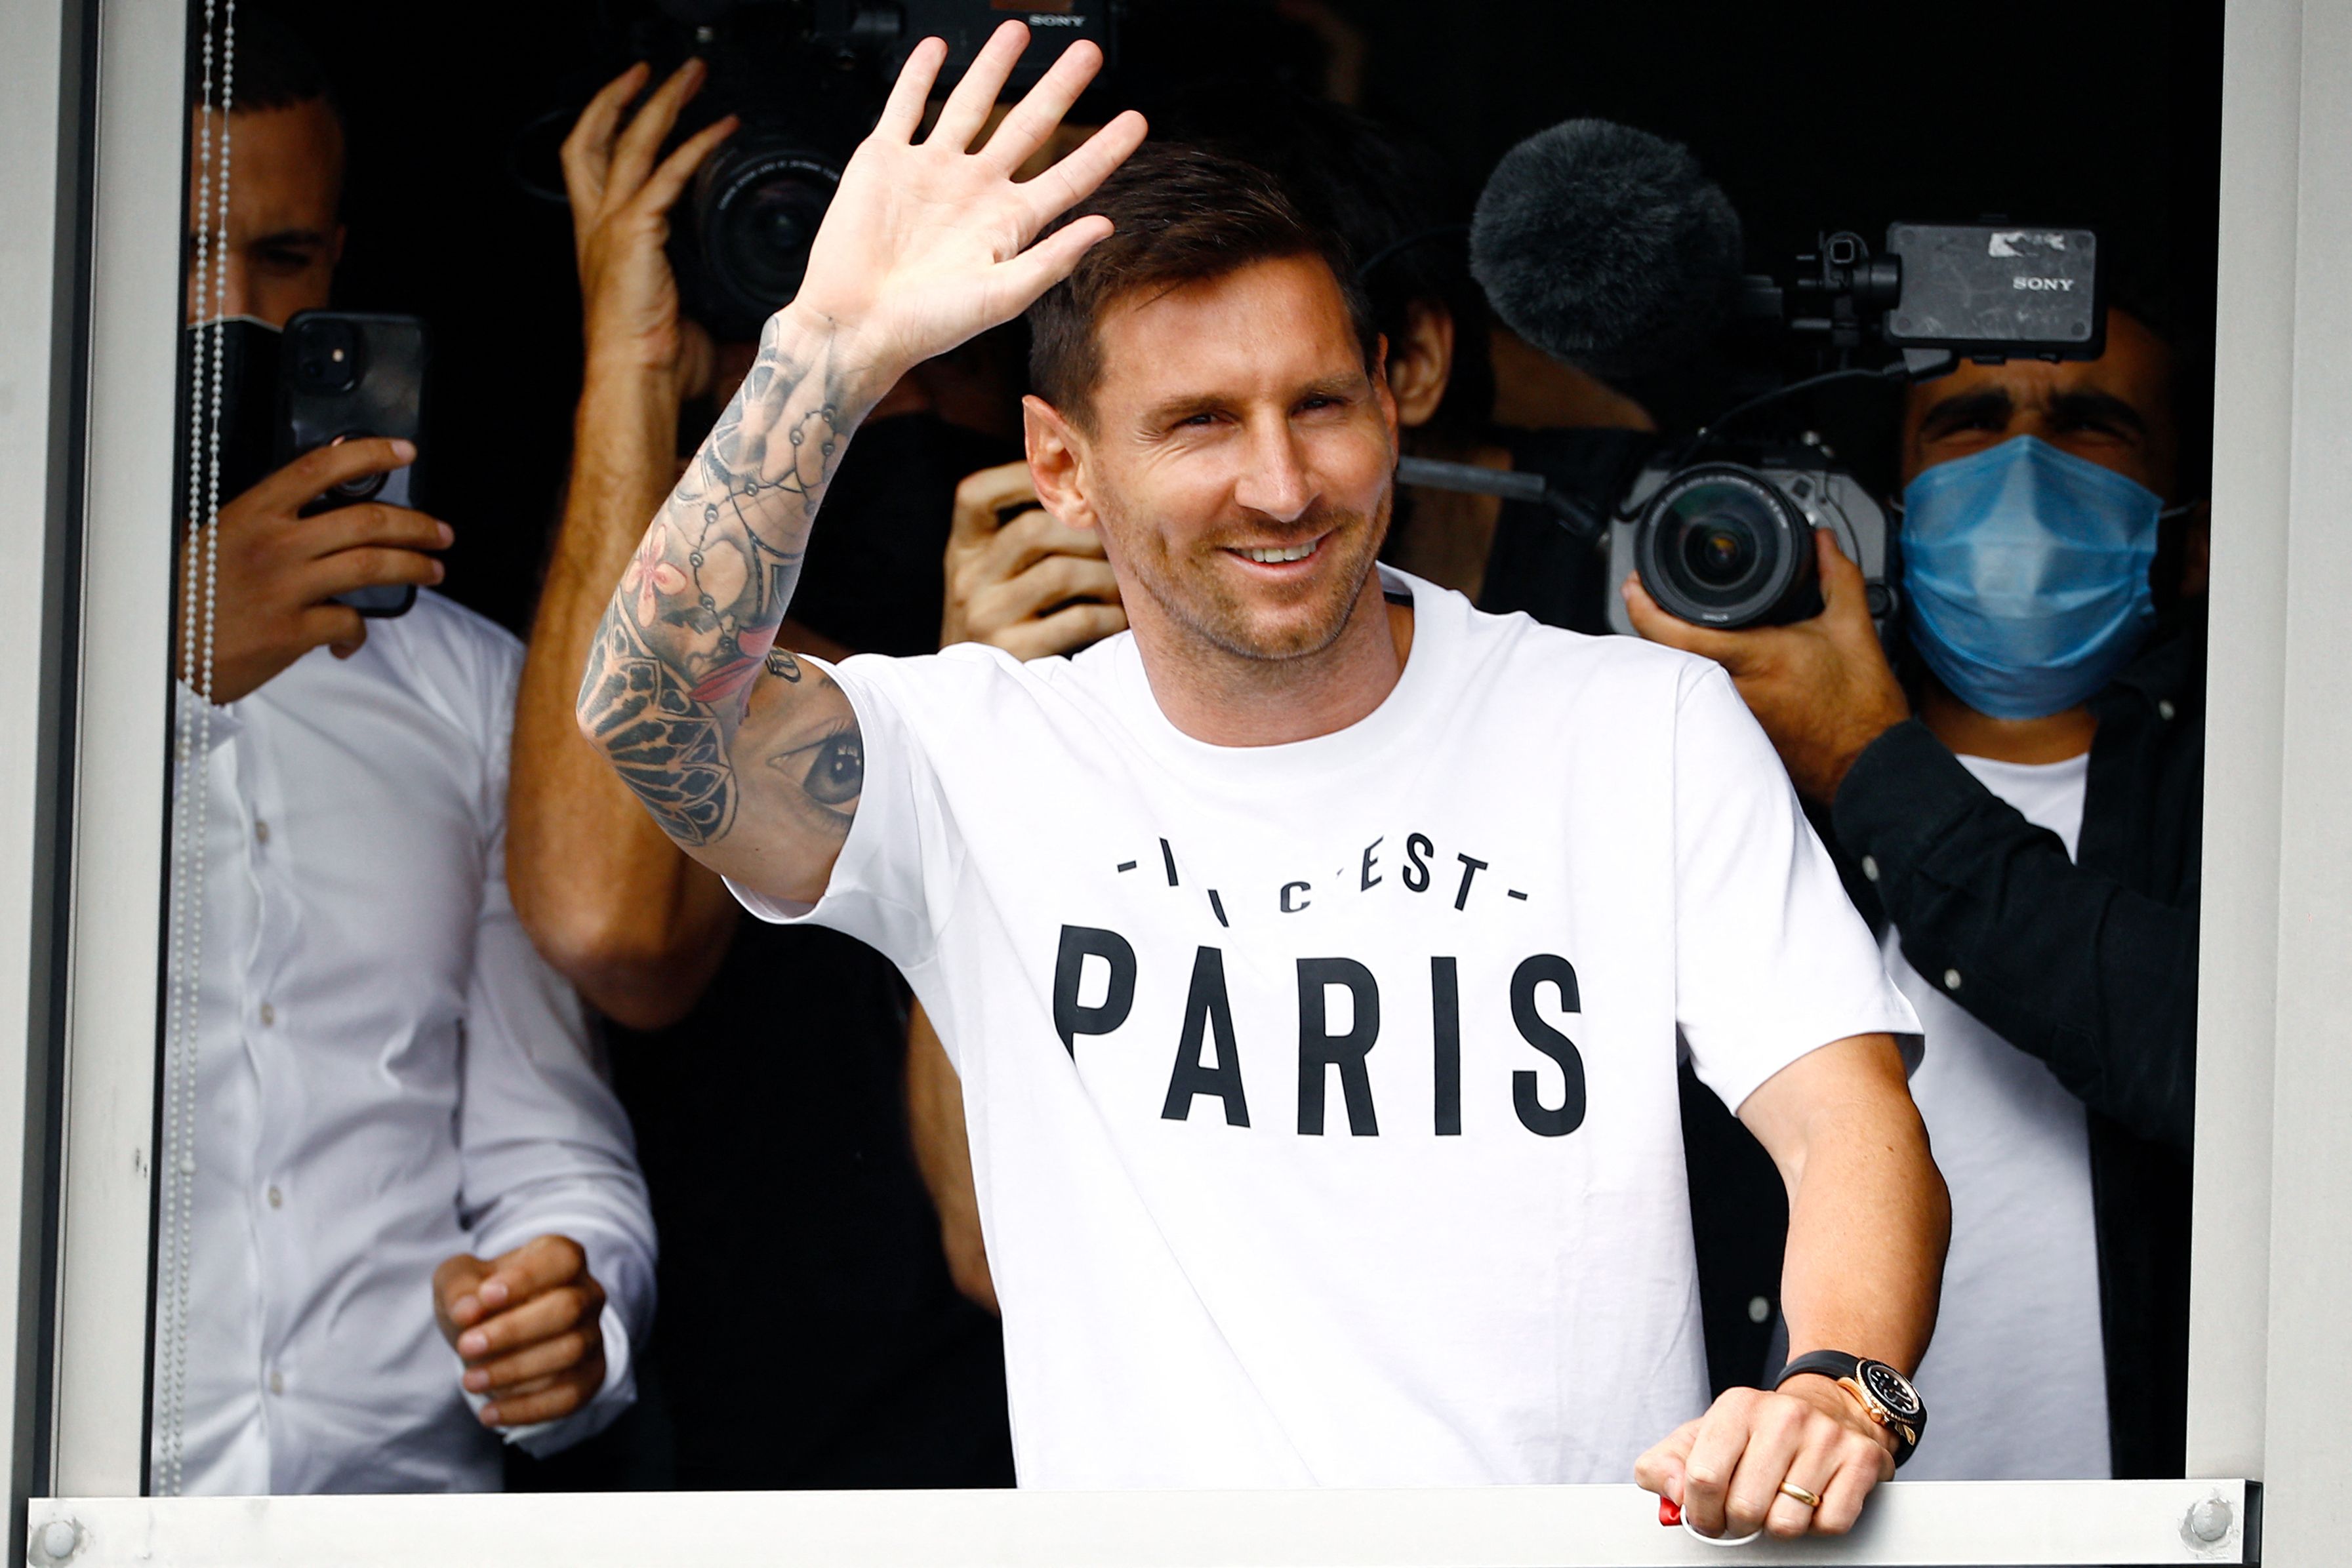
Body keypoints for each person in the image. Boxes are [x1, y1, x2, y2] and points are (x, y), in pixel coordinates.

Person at [577, 24, 1951, 1542]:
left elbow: (1846, 1117)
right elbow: (649, 712)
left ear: (1387, 389)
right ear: (1060, 465)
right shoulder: (978, 758)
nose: (1282, 483)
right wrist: (824, 355)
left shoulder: (1637, 729)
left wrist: (1834, 1385)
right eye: (1197, 425)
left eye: (1317, 404)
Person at [506, 58, 1018, 1487]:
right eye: (779, 234)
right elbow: (607, 921)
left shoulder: (1053, 465)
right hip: (791, 1373)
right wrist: (632, 365)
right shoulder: (675, 471)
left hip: (1044, 1357)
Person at [160, 19, 653, 1494]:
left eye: (285, 262)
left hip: (402, 1515)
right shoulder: (34, 669)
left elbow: (548, 1144)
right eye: (183, 253)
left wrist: (572, 1305)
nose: (227, 320)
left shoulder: (467, 685)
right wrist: (160, 670)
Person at [1626, 303, 2205, 1479]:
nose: (2021, 470)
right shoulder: (1738, 790)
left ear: (2187, 531)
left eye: (2092, 427)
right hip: (1796, 1524)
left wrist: (1871, 765)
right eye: (1969, 422)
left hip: (2146, 1530)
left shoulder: (2254, 788)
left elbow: (2202, 1055)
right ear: (1886, 511)